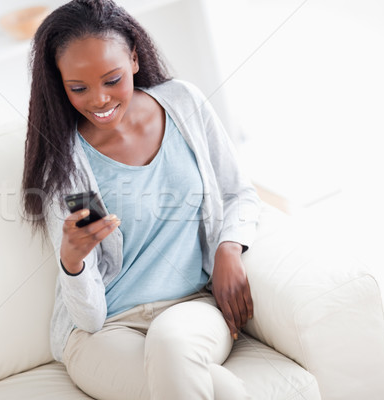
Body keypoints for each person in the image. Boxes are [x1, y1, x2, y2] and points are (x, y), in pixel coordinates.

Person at [22, 1, 261, 398]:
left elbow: (239, 192)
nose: (98, 99)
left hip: (191, 309)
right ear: (58, 83)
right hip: (104, 332)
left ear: (133, 58)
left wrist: (228, 249)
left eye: (111, 79)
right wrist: (73, 261)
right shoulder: (66, 162)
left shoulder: (183, 103)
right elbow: (90, 317)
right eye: (78, 88)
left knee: (173, 345)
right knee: (218, 390)